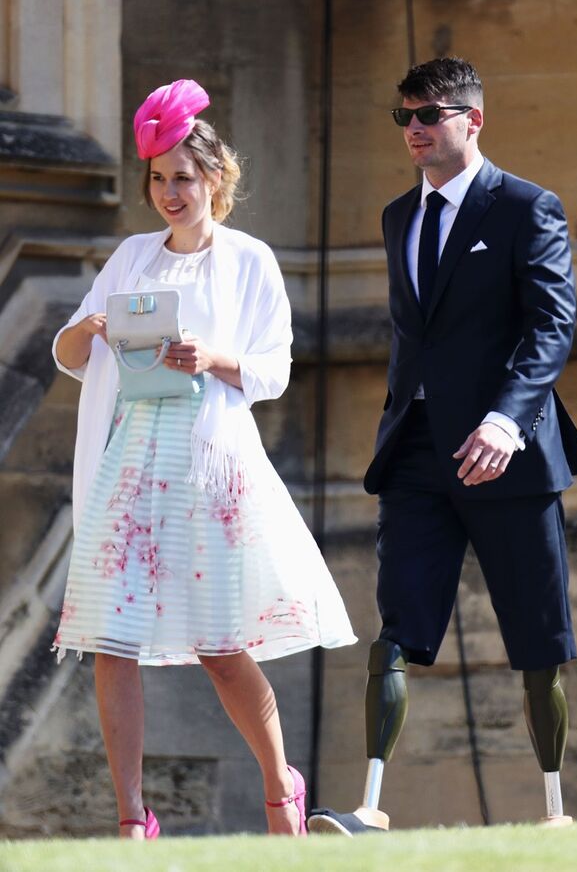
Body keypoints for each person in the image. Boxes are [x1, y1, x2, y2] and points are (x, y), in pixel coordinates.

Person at [52, 79, 356, 839]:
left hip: (209, 464)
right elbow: (66, 355)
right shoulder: (129, 255)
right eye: (156, 178)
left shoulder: (250, 260)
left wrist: (212, 357)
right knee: (109, 642)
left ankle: (280, 786)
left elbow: (274, 370)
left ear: (214, 180)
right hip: (130, 464)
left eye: (181, 178)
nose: (167, 193)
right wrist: (89, 327)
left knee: (222, 646)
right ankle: (131, 819)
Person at [308, 57, 577, 835]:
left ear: (474, 119)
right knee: (397, 624)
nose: (414, 129)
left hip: (509, 452)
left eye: (430, 115)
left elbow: (551, 327)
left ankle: (553, 809)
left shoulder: (527, 207)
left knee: (538, 634)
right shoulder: (398, 216)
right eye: (404, 116)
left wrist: (507, 421)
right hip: (414, 451)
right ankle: (370, 805)